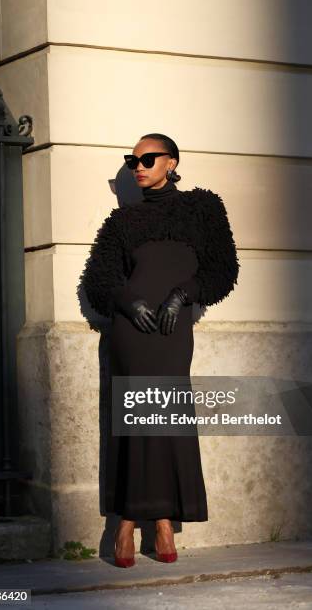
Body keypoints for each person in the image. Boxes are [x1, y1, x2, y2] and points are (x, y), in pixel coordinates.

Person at [79, 133, 240, 568]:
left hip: (173, 330)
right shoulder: (121, 223)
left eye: (148, 158)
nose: (139, 166)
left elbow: (223, 269)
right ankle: (129, 523)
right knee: (136, 422)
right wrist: (127, 303)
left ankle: (162, 520)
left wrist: (183, 295)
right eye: (132, 160)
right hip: (132, 331)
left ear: (172, 162)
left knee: (167, 420)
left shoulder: (203, 209)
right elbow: (98, 281)